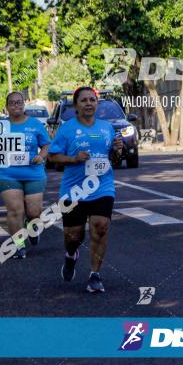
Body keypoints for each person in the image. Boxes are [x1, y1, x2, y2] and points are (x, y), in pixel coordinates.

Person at [48, 86, 123, 293]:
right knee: (73, 235)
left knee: (100, 227)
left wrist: (117, 150)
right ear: (75, 105)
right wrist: (73, 158)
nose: (89, 103)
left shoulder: (107, 128)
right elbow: (52, 157)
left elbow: (114, 159)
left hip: (102, 186)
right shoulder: (66, 129)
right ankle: (71, 255)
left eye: (92, 100)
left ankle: (95, 275)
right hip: (74, 190)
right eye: (84, 100)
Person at [0, 92, 51, 259]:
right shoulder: (0, 126)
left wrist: (41, 156)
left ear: (23, 105)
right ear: (7, 106)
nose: (16, 106)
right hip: (7, 174)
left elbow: (46, 145)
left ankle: (31, 227)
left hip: (33, 173)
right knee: (15, 210)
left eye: (19, 103)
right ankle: (18, 246)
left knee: (34, 212)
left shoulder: (35, 124)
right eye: (12, 103)